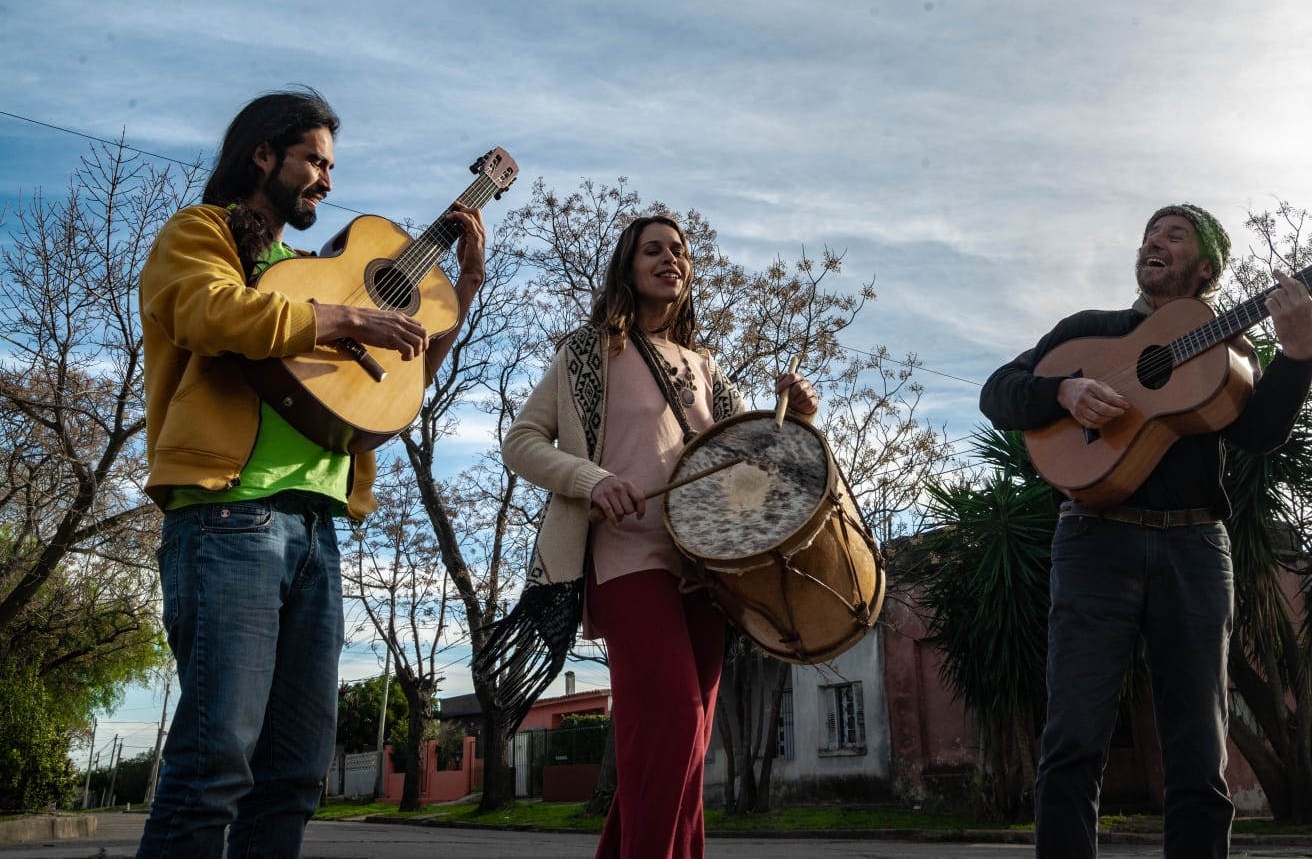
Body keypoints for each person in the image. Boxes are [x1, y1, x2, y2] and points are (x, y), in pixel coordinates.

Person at [135, 88, 486, 858]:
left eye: (332, 165)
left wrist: (461, 295)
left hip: (319, 527)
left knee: (293, 774)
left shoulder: (314, 272)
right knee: (213, 766)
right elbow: (208, 312)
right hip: (229, 517)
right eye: (314, 161)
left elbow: (386, 387)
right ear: (264, 154)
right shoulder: (200, 235)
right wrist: (350, 318)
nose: (327, 180)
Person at [979, 204, 1312, 859]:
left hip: (1194, 548)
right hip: (1093, 541)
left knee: (1198, 754)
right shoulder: (1089, 334)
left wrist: (1298, 354)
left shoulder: (1229, 355)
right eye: (1149, 232)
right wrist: (1064, 392)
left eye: (1174, 234)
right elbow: (999, 392)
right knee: (1074, 740)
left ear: (1205, 268)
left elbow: (1259, 435)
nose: (1153, 241)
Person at [499, 215, 817, 859]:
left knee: (686, 743)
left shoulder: (705, 368)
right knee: (673, 723)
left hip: (705, 570)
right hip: (624, 560)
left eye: (679, 250)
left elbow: (748, 471)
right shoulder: (587, 353)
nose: (670, 258)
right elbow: (521, 443)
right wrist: (590, 479)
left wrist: (798, 419)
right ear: (628, 266)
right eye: (653, 250)